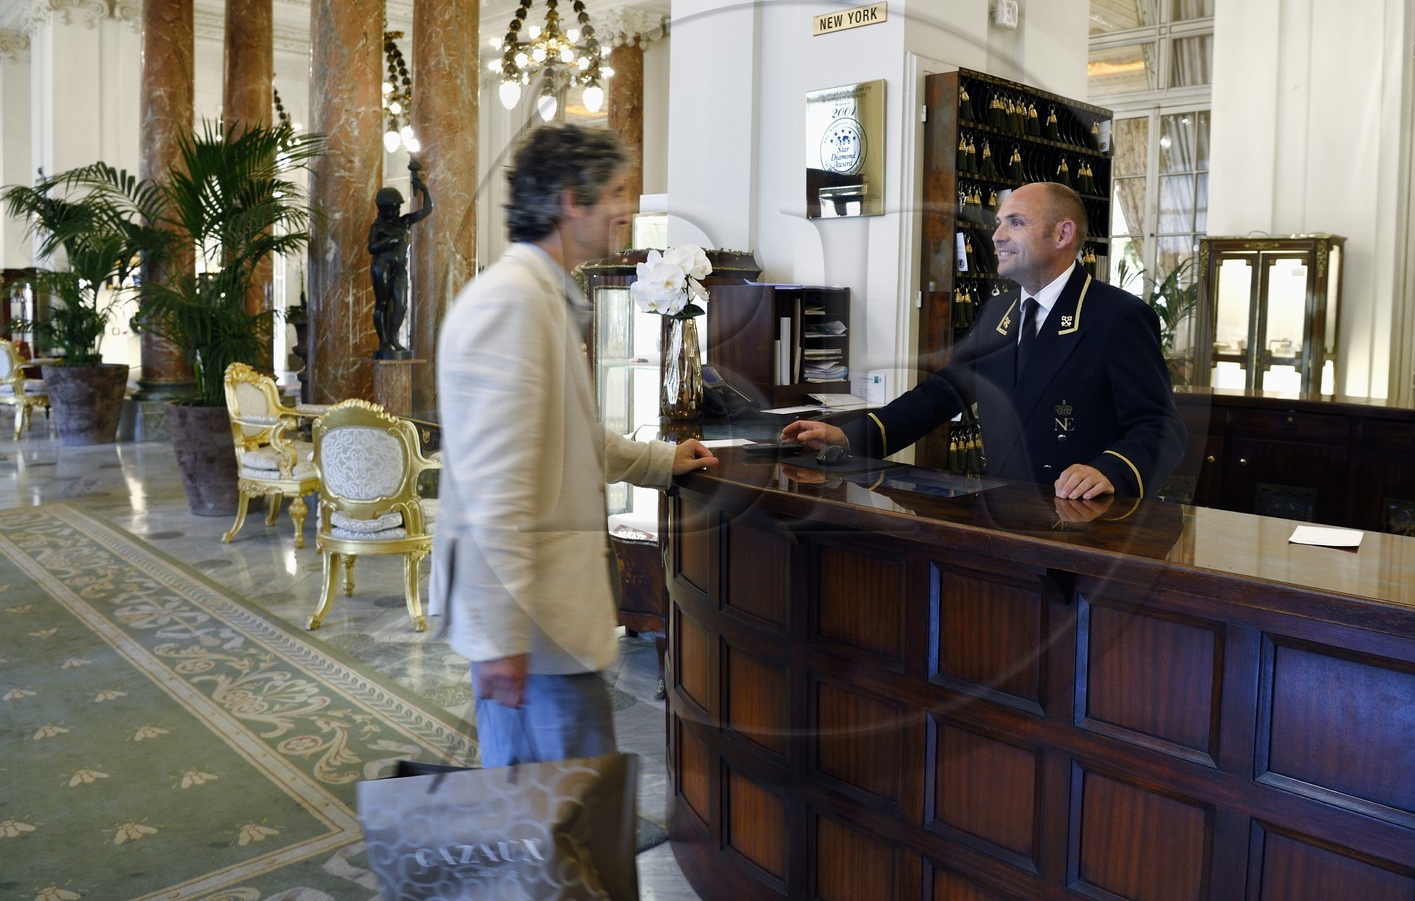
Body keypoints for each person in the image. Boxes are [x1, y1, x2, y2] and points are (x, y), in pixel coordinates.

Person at [429, 124, 718, 767]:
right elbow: (493, 487)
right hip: (535, 634)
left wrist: (664, 461)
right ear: (569, 200)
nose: (628, 209)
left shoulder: (545, 299)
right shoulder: (512, 305)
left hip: (547, 630)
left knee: (561, 828)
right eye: (616, 191)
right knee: (556, 834)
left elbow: (571, 441)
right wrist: (501, 637)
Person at [783, 181, 1185, 500]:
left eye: (1015, 223)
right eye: (998, 223)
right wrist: (850, 435)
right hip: (1005, 511)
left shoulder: (1118, 316)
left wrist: (1110, 470)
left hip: (1081, 520)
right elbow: (942, 393)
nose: (996, 236)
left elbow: (1160, 427)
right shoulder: (999, 312)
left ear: (1062, 234)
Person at [368, 158, 433, 357]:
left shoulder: (404, 222)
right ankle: (384, 342)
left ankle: (394, 337)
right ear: (382, 208)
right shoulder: (378, 226)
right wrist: (392, 241)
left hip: (399, 269)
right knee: (382, 303)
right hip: (382, 265)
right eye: (393, 208)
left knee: (401, 305)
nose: (397, 211)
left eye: (398, 207)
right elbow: (372, 247)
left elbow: (426, 210)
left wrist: (424, 189)